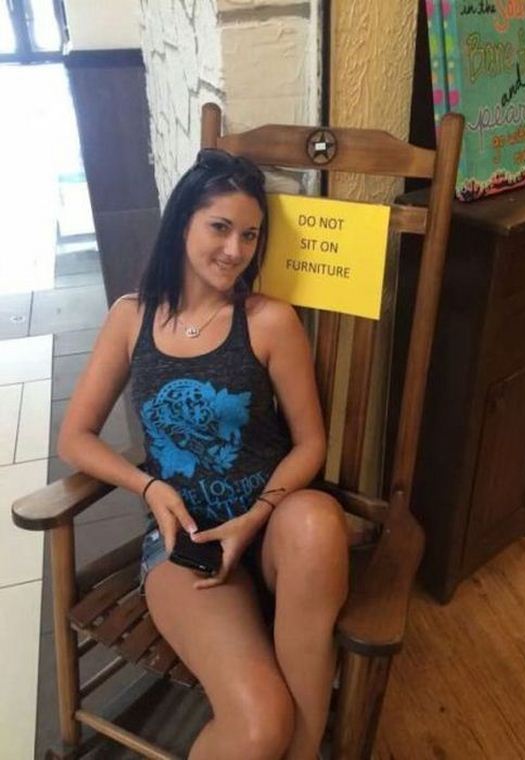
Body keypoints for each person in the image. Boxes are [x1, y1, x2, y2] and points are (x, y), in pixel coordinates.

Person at [58, 148, 349, 760]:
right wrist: (148, 486)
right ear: (183, 220)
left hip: (271, 527)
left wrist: (257, 515)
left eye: (250, 235)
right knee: (259, 725)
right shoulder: (131, 319)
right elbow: (75, 438)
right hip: (185, 541)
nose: (235, 250)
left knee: (317, 523)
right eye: (220, 227)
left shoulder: (268, 321)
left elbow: (311, 443)